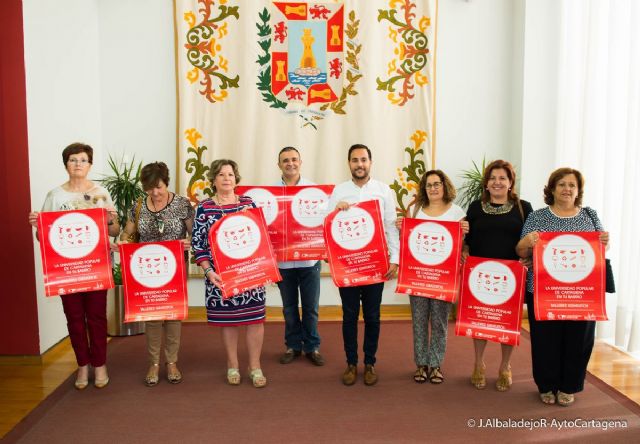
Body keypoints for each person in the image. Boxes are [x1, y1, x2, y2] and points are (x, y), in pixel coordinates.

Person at [28, 143, 120, 389]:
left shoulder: (101, 193)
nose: (78, 164)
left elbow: (115, 230)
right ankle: (82, 365)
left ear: (90, 165)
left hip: (96, 266)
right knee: (75, 318)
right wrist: (38, 226)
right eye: (72, 160)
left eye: (83, 160)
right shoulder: (54, 196)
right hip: (66, 271)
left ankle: (99, 364)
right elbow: (44, 239)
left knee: (97, 318)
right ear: (65, 164)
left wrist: (111, 220)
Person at [516, 167, 609, 406]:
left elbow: (600, 250)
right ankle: (546, 385)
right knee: (545, 340)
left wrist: (605, 242)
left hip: (583, 292)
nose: (567, 189)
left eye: (572, 185)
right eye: (562, 184)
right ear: (552, 189)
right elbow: (521, 251)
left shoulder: (589, 215)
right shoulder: (537, 217)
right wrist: (526, 243)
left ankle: (569, 386)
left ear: (578, 191)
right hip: (543, 291)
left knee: (579, 340)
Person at [191, 159, 268, 388]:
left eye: (231, 174)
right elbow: (199, 245)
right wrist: (208, 272)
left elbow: (261, 238)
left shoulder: (248, 203)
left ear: (236, 179)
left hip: (250, 274)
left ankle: (255, 366)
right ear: (213, 180)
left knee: (255, 320)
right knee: (229, 321)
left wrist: (251, 216)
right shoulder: (204, 208)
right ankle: (232, 364)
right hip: (220, 277)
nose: (227, 178)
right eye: (222, 174)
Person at [328, 144, 400, 386]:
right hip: (348, 265)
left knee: (372, 316)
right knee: (349, 316)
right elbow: (327, 225)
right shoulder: (339, 191)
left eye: (363, 160)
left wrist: (395, 259)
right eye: (355, 160)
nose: (360, 164)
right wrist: (336, 212)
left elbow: (390, 225)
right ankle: (351, 363)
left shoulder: (383, 190)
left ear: (370, 162)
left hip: (375, 264)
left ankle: (369, 363)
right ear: (349, 163)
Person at [118, 162, 194, 386]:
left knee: (172, 315)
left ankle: (171, 362)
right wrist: (122, 240)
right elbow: (128, 232)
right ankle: (153, 362)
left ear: (166, 183)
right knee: (151, 316)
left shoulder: (181, 204)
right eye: (150, 188)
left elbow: (194, 233)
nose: (155, 192)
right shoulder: (139, 205)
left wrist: (189, 242)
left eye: (159, 187)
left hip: (175, 268)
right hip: (146, 270)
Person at [463, 159, 532, 392]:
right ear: (486, 183)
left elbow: (531, 241)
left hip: (511, 277)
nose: (497, 182)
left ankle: (505, 366)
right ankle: (479, 363)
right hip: (480, 276)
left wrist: (529, 258)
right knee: (480, 320)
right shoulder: (474, 207)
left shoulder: (524, 207)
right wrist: (463, 250)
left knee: (506, 322)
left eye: (502, 178)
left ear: (511, 182)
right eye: (493, 178)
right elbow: (466, 240)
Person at [395, 170, 469, 384]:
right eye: (429, 185)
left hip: (443, 278)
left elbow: (462, 246)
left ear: (445, 185)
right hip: (418, 276)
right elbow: (406, 241)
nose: (434, 188)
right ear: (424, 189)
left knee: (439, 322)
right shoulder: (415, 209)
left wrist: (465, 230)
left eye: (437, 183)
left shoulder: (456, 212)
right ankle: (420, 364)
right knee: (419, 321)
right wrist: (401, 228)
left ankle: (435, 365)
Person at [275, 147, 324, 366]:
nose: (290, 163)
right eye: (285, 160)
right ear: (279, 165)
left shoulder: (314, 190)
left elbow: (325, 220)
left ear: (301, 162)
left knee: (311, 306)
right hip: (283, 261)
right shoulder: (270, 193)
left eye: (294, 159)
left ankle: (312, 346)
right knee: (289, 307)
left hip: (309, 259)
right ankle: (293, 345)